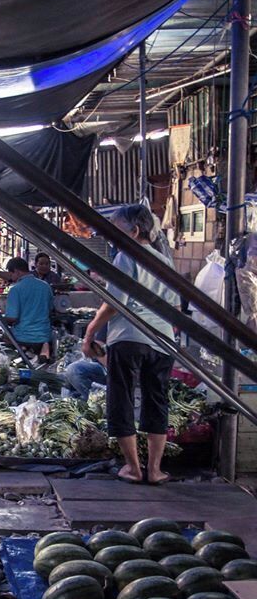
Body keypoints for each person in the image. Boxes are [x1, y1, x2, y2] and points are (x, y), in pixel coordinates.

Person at [82, 203, 180, 485]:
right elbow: (173, 304)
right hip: (162, 342)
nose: (112, 236)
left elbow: (114, 305)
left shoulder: (127, 256)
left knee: (121, 399)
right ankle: (155, 470)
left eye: (116, 229)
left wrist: (90, 333)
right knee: (156, 401)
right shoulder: (164, 262)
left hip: (128, 338)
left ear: (134, 231)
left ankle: (133, 469)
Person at [3, 257, 54, 359]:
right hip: (44, 337)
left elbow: (12, 318)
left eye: (11, 274)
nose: (11, 277)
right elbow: (50, 310)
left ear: (17, 271)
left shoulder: (15, 289)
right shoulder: (45, 286)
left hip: (23, 338)